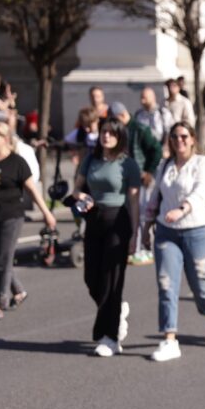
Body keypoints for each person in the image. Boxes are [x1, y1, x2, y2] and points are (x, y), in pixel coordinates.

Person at [143, 122, 205, 362]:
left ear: (193, 138)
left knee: (200, 284)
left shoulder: (202, 163)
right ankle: (169, 340)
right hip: (167, 233)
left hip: (197, 231)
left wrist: (182, 209)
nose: (180, 141)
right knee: (166, 285)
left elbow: (200, 192)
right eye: (175, 137)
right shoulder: (165, 166)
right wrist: (146, 226)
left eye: (184, 136)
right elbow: (155, 196)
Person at [70, 117, 142, 357]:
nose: (106, 136)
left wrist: (134, 234)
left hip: (118, 220)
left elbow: (134, 201)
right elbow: (77, 188)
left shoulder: (128, 164)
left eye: (111, 133)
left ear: (120, 137)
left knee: (112, 280)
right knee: (91, 277)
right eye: (103, 132)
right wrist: (81, 196)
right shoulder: (91, 160)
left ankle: (109, 337)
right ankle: (117, 310)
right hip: (94, 219)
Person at [0, 121, 56, 319]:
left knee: (2, 260)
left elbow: (32, 190)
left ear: (5, 139)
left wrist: (47, 213)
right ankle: (19, 291)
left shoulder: (16, 162)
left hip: (10, 216)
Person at [111, 102, 162, 266]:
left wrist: (148, 171)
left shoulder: (140, 128)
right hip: (126, 178)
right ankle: (133, 247)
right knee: (130, 214)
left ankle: (143, 248)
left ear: (121, 115)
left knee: (141, 214)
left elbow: (156, 150)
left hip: (140, 179)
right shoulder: (120, 130)